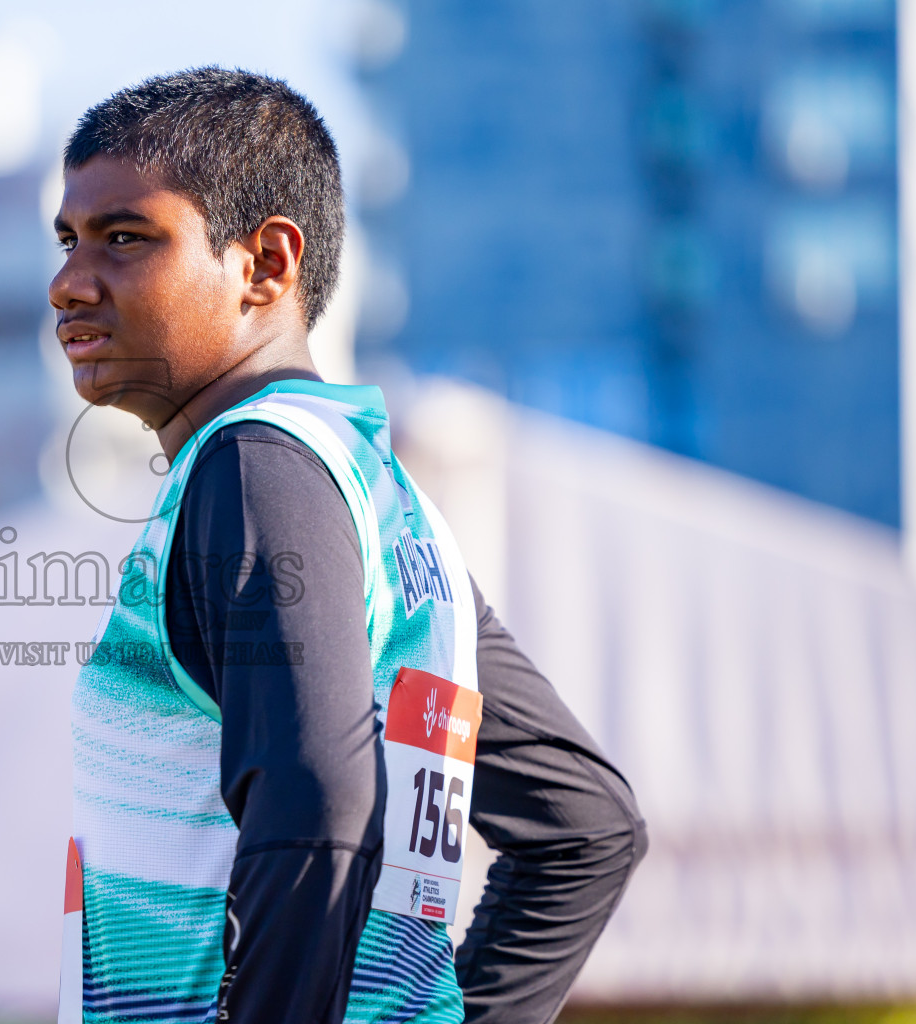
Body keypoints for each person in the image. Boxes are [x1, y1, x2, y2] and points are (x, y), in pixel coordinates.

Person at [49, 67, 646, 1024]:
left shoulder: (255, 467)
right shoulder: (385, 500)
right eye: (69, 240)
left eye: (126, 238)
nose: (69, 283)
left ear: (266, 265)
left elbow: (319, 799)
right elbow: (584, 828)